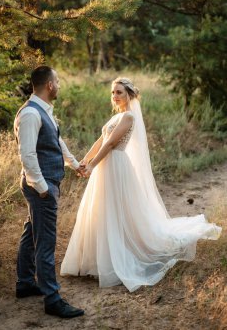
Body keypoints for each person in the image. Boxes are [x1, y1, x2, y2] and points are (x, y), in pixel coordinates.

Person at [61, 77, 221, 292]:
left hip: (116, 165)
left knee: (115, 211)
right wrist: (84, 161)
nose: (115, 96)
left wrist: (92, 166)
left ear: (129, 95)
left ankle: (116, 259)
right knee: (100, 209)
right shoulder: (116, 116)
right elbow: (100, 140)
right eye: (113, 92)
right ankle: (95, 259)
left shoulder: (128, 117)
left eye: (119, 92)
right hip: (104, 166)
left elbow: (110, 144)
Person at [14, 66, 84, 318]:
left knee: (31, 231)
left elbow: (56, 141)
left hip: (42, 184)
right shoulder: (31, 114)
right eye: (58, 81)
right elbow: (28, 156)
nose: (59, 85)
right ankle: (52, 299)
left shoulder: (43, 111)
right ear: (50, 85)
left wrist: (75, 164)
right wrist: (43, 189)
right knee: (45, 242)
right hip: (40, 186)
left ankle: (24, 283)